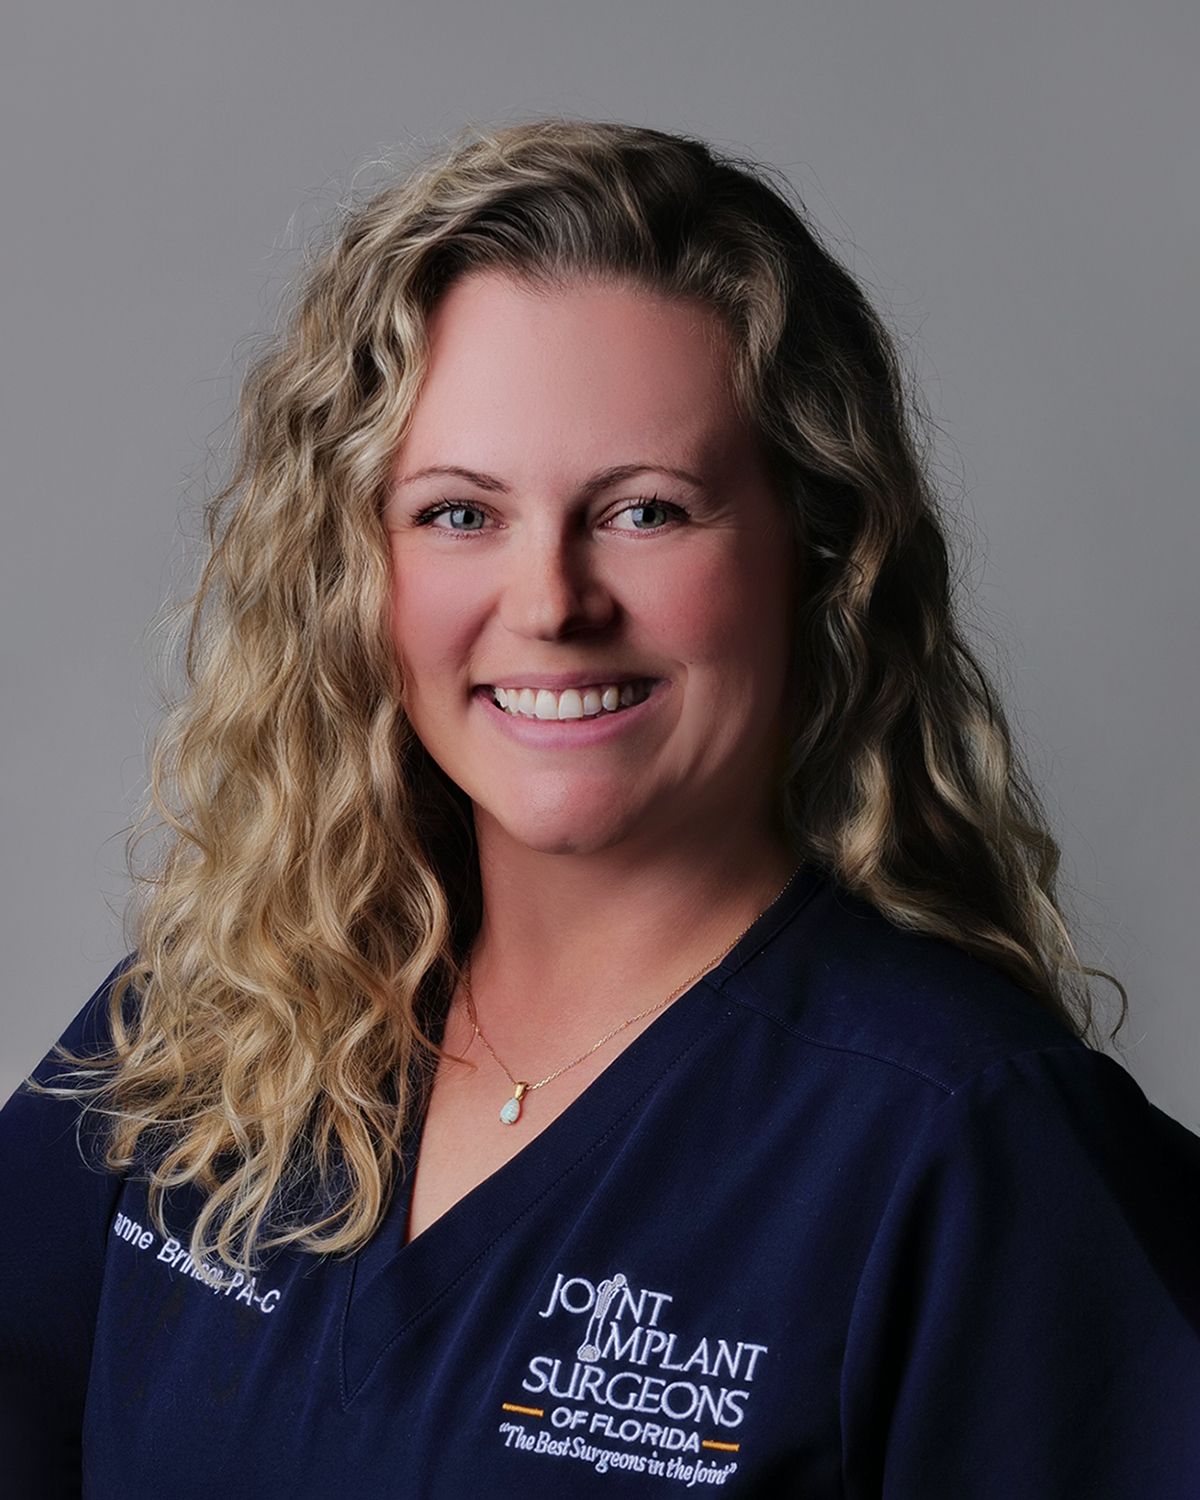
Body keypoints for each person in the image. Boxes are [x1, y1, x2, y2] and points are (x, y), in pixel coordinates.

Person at [1, 116, 1197, 1499]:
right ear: (356, 568)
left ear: (815, 555)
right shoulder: (218, 1029)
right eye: (459, 514)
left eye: (645, 511)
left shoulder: (973, 1141)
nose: (553, 601)